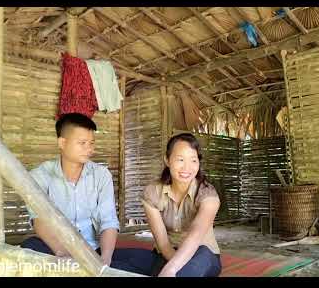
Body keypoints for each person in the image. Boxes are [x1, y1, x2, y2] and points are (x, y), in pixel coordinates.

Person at [20, 113, 122, 268]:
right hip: (55, 247)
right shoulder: (40, 176)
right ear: (62, 143)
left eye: (91, 143)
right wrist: (62, 253)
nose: (89, 149)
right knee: (29, 249)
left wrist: (105, 261)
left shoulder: (101, 175)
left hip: (93, 249)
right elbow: (38, 219)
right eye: (82, 143)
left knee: (143, 260)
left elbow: (108, 221)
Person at [113, 133, 222, 277]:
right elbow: (163, 242)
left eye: (193, 160)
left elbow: (195, 235)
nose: (187, 167)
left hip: (202, 255)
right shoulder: (153, 192)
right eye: (180, 159)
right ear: (167, 160)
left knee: (190, 268)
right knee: (103, 258)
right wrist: (172, 266)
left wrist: (172, 269)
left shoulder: (208, 194)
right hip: (165, 253)